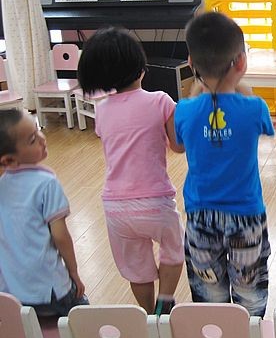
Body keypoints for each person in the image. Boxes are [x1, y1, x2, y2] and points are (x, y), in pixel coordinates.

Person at [77, 27, 185, 315]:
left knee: (137, 268)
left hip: (116, 207)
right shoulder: (161, 101)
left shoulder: (101, 110)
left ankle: (148, 314)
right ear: (140, 67)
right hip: (155, 201)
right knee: (174, 249)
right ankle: (165, 300)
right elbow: (178, 147)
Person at [175, 12, 273, 318]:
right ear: (241, 62)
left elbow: (179, 144)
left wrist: (200, 90)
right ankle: (250, 331)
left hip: (200, 215)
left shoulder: (184, 111)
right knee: (249, 290)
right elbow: (261, 122)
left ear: (191, 63)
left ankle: (215, 330)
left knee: (209, 292)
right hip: (246, 215)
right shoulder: (255, 108)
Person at [0, 109, 89, 316]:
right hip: (50, 290)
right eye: (32, 139)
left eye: (38, 129)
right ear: (9, 160)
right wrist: (73, 272)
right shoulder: (46, 183)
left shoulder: (2, 184)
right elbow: (60, 236)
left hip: (12, 294)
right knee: (81, 313)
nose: (42, 138)